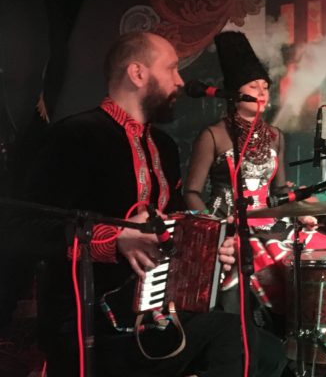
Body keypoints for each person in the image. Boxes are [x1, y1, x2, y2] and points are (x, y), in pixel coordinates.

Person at [29, 31, 286, 377]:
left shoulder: (163, 145)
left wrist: (213, 249)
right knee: (234, 339)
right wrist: (116, 237)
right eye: (171, 69)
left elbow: (177, 222)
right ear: (138, 73)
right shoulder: (74, 136)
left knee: (270, 351)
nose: (180, 80)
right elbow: (23, 226)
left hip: (157, 314)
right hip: (92, 321)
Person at [184, 31, 326, 324]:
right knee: (261, 259)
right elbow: (191, 192)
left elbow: (280, 191)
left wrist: (301, 213)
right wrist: (212, 228)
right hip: (229, 224)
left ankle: (312, 327)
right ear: (235, 93)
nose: (262, 92)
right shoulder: (213, 135)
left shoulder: (275, 135)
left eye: (266, 87)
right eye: (253, 86)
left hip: (271, 223)